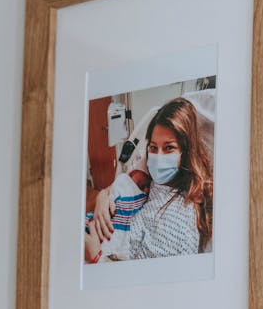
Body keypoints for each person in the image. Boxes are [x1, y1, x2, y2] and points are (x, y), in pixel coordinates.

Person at [86, 97, 213, 262]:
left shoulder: (179, 223)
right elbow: (119, 186)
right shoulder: (152, 179)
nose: (157, 157)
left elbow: (139, 283)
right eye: (153, 147)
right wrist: (102, 196)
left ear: (186, 152)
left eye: (169, 148)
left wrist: (96, 257)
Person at [84, 169, 151, 263]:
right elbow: (117, 186)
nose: (146, 189)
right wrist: (102, 195)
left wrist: (96, 257)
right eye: (141, 185)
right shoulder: (126, 180)